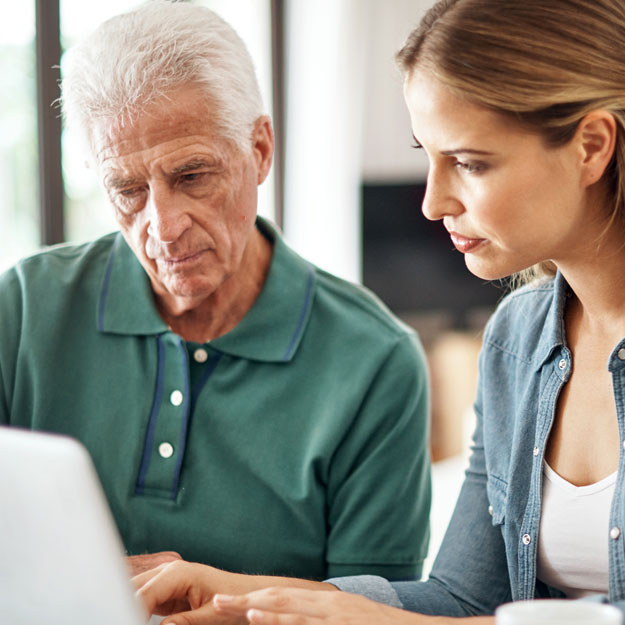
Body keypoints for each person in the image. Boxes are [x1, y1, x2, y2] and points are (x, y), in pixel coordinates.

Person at [130, 0, 625, 622]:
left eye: (469, 163)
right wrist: (240, 592)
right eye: (429, 155)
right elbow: (462, 600)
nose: (433, 200)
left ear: (592, 146)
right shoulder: (517, 340)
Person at [0, 1, 432, 582]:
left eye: (192, 176)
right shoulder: (23, 309)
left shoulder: (376, 361)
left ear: (259, 150)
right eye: (127, 188)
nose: (163, 225)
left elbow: (369, 615)